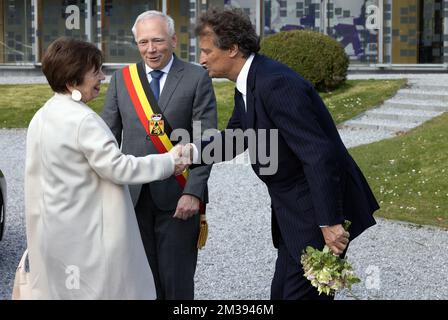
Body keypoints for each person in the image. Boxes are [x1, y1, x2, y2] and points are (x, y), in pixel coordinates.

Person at [193, 8, 379, 300]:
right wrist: (188, 153)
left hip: (316, 217)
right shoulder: (248, 83)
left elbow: (318, 154)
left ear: (232, 49)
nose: (201, 59)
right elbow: (234, 138)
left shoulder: (275, 83)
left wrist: (329, 223)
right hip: (295, 218)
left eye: (206, 51)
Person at [23, 37, 190, 299]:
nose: (102, 76)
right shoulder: (83, 119)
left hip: (55, 232)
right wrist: (170, 161)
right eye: (94, 71)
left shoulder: (43, 114)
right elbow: (119, 168)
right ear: (72, 81)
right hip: (87, 234)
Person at [101, 10, 217, 300]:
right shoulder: (122, 79)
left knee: (176, 281)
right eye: (143, 42)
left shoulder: (196, 77)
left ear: (174, 40)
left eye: (157, 41)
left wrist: (194, 191)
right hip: (132, 197)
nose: (150, 49)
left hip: (179, 196)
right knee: (140, 282)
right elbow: (107, 141)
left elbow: (207, 140)